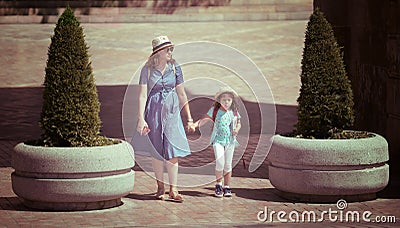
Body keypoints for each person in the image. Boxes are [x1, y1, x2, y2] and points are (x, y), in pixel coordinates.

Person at [136, 35, 195, 202]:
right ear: (158, 52)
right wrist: (141, 118)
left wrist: (189, 118)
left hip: (171, 112)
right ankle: (160, 186)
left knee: (172, 150)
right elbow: (142, 96)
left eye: (171, 49)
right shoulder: (146, 70)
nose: (170, 51)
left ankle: (173, 189)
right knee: (156, 151)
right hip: (153, 112)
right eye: (167, 49)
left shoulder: (175, 67)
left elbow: (182, 94)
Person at [193, 87, 241, 197]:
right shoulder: (215, 110)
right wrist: (195, 125)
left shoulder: (234, 111)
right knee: (220, 163)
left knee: (228, 164)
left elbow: (239, 123)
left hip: (230, 141)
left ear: (232, 101)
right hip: (217, 141)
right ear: (219, 100)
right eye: (224, 99)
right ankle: (219, 184)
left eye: (229, 99)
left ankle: (227, 186)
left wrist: (236, 129)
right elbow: (205, 120)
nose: (226, 102)